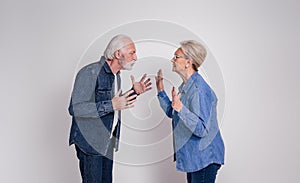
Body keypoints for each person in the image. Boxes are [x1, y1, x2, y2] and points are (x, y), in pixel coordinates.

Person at [68, 34, 152, 183]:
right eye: (132, 52)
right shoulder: (90, 72)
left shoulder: (116, 75)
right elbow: (75, 108)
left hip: (107, 141)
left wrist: (134, 92)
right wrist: (111, 105)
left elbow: (115, 102)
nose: (135, 57)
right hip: (90, 144)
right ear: (118, 54)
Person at [155, 40, 225, 183]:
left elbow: (202, 129)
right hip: (194, 157)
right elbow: (174, 113)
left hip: (205, 158)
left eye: (176, 57)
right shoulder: (186, 86)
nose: (172, 60)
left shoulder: (199, 90)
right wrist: (161, 91)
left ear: (188, 62)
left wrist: (180, 108)